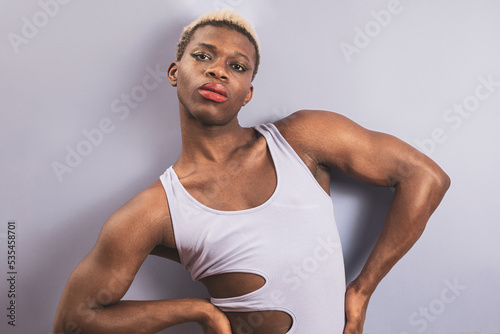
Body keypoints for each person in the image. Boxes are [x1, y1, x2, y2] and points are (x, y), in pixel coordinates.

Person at [54, 9, 450, 334]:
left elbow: (426, 178)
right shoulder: (155, 210)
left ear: (248, 93)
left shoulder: (302, 140)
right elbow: (74, 320)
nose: (218, 71)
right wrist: (198, 311)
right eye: (203, 56)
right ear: (176, 72)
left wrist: (363, 289)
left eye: (237, 66)